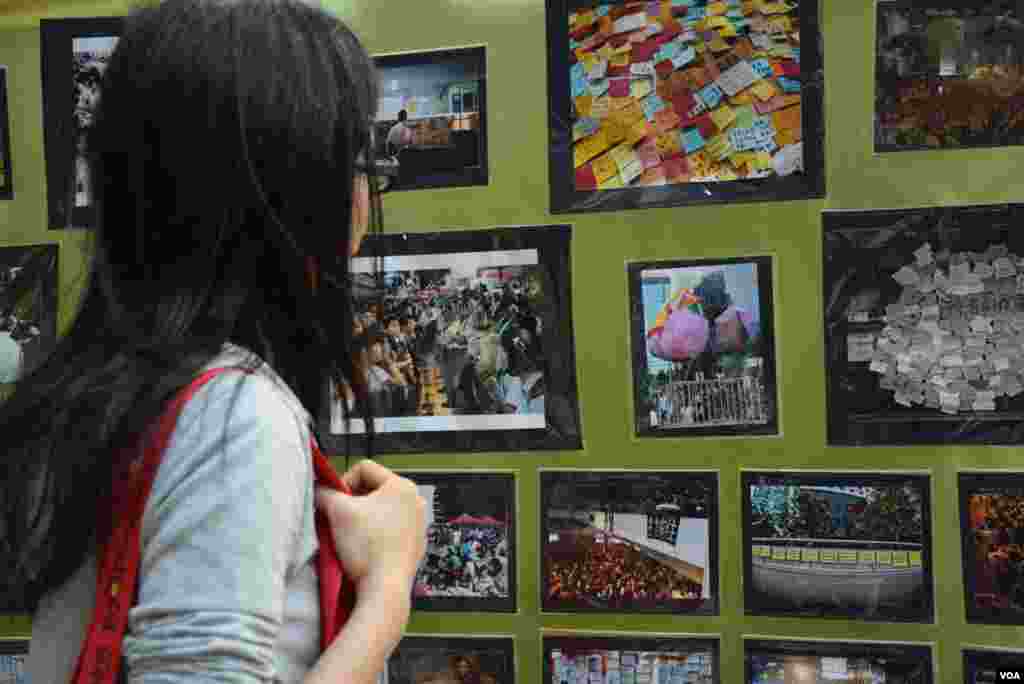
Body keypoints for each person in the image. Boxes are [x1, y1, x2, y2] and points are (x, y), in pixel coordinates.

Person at [0, 2, 428, 684]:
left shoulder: (109, 390)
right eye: (353, 160)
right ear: (290, 185)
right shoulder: (234, 416)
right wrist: (388, 590)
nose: (364, 194)